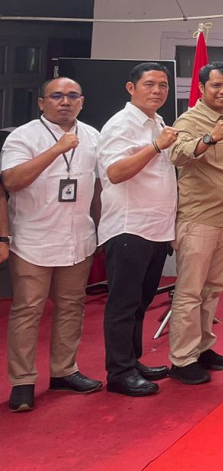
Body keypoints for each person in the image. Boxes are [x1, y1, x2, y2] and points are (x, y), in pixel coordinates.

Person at [3, 77, 103, 412]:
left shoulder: (93, 136)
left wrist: (103, 229)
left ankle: (64, 371)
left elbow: (99, 189)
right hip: (33, 239)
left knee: (72, 307)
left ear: (82, 101)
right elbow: (12, 181)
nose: (65, 101)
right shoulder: (24, 136)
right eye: (57, 96)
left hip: (78, 238)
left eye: (72, 96)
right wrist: (56, 149)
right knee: (28, 310)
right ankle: (22, 381)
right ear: (42, 102)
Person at [97, 62, 179, 397]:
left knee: (141, 302)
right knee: (123, 303)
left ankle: (132, 362)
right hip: (129, 228)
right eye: (149, 84)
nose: (158, 91)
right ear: (131, 88)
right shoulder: (121, 124)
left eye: (163, 85)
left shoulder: (156, 121)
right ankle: (119, 373)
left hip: (156, 229)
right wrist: (157, 146)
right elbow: (116, 172)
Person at [167, 61, 223, 385]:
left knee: (212, 290)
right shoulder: (190, 120)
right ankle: (182, 360)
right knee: (189, 292)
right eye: (216, 86)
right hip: (198, 220)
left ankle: (202, 348)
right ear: (201, 88)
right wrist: (210, 138)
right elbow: (178, 154)